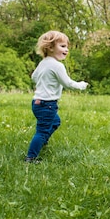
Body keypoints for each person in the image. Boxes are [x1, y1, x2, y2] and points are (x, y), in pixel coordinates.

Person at [25, 30, 88, 163]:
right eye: (63, 46)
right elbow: (68, 83)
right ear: (50, 47)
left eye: (67, 47)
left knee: (55, 122)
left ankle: (42, 142)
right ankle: (30, 158)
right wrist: (81, 85)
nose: (67, 50)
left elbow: (34, 77)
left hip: (36, 102)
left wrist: (44, 84)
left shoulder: (43, 62)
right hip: (47, 104)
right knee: (41, 131)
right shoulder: (57, 65)